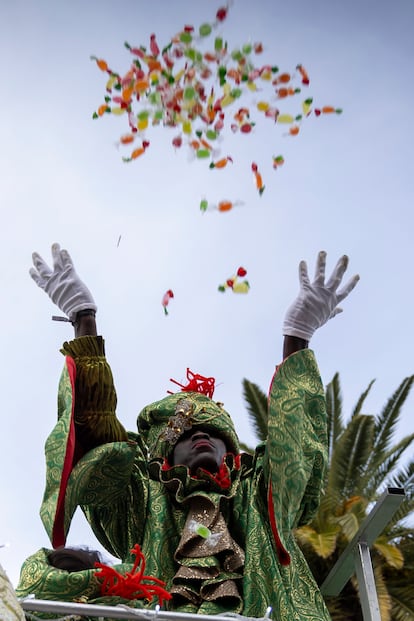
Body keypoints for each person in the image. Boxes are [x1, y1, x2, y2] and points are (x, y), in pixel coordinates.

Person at [22, 243, 359, 620]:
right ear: (164, 454)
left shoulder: (255, 494)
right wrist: (84, 318)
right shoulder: (141, 500)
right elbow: (96, 439)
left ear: (229, 449)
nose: (201, 437)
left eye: (213, 434)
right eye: (186, 435)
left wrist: (297, 338)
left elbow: (296, 449)